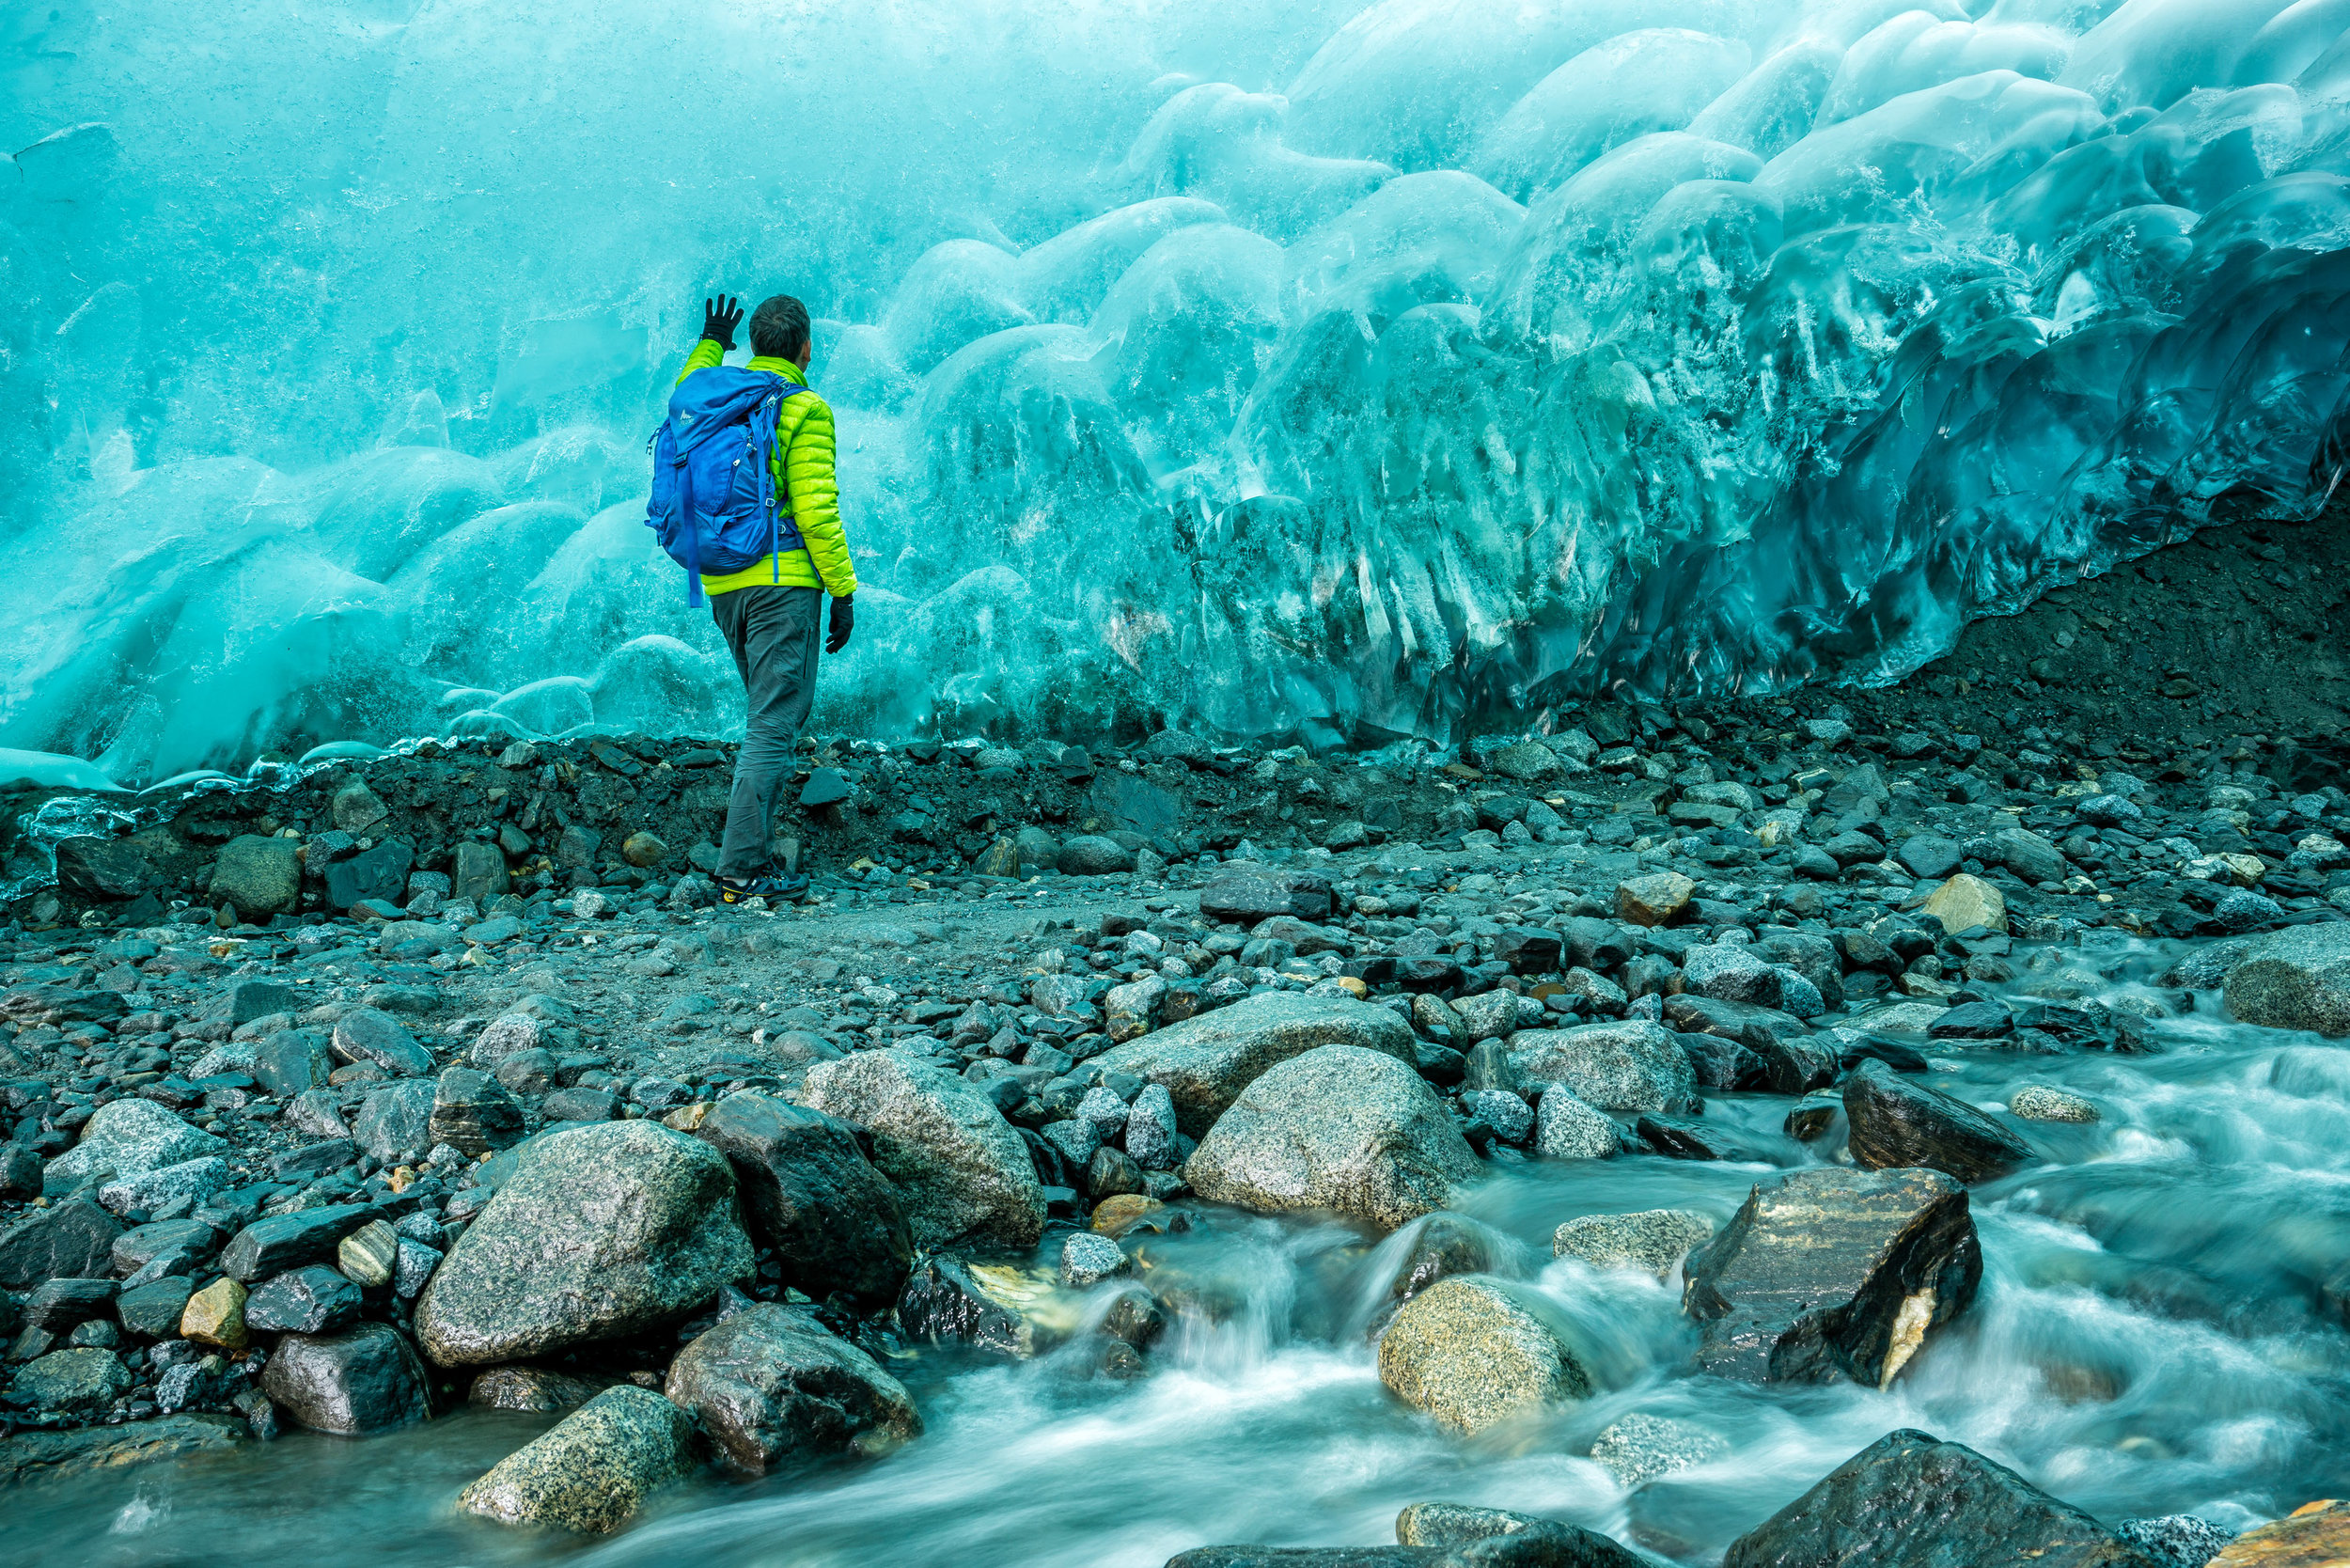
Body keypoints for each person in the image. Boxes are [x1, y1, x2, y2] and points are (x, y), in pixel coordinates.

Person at [676, 292, 856, 904]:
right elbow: (815, 508)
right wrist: (843, 590)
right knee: (774, 722)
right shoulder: (803, 406)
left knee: (766, 717)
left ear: (752, 347)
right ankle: (742, 868)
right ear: (807, 349)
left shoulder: (717, 395)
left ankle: (746, 858)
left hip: (723, 581)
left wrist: (710, 340)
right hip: (784, 582)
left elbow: (686, 390)